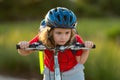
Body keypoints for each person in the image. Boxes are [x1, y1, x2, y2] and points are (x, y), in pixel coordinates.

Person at [17, 7, 94, 80]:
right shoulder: (42, 38)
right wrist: (23, 46)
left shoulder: (75, 39)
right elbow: (25, 52)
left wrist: (86, 49)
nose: (63, 37)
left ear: (72, 32)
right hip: (50, 73)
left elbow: (80, 61)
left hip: (73, 73)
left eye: (67, 33)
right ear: (49, 32)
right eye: (58, 33)